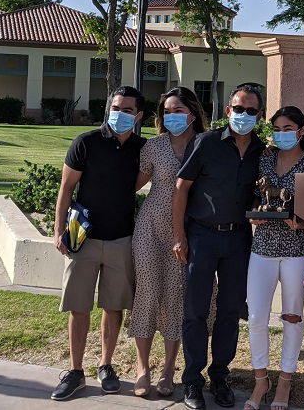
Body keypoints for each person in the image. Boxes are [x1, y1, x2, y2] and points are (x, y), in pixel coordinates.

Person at [172, 84, 266, 409]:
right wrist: (179, 235)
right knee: (196, 311)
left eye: (251, 111)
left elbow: (260, 193)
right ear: (228, 111)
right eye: (238, 109)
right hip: (202, 236)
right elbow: (181, 188)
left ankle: (220, 376)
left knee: (230, 311)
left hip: (239, 239)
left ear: (259, 116)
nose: (243, 115)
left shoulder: (262, 151)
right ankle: (192, 380)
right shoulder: (207, 142)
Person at [50, 85, 147, 401]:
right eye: (116, 108)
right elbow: (66, 189)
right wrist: (59, 231)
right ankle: (75, 371)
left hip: (121, 239)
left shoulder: (142, 148)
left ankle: (106, 365)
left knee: (113, 306)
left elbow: (136, 184)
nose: (120, 114)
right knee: (78, 306)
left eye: (128, 110)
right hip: (83, 238)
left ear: (138, 115)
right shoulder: (86, 143)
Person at [127, 87, 207, 398]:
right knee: (147, 294)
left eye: (178, 110)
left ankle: (169, 369)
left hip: (186, 232)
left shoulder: (205, 145)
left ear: (192, 113)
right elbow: (133, 185)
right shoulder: (154, 146)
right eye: (167, 112)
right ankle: (142, 367)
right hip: (150, 228)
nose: (171, 116)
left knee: (175, 298)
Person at [244, 106, 304, 410]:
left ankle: (286, 380)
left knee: (292, 316)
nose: (281, 134)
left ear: (301, 131)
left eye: (287, 129)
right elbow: (256, 195)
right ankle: (261, 380)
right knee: (255, 317)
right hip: (263, 248)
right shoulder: (265, 158)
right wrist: (255, 212)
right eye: (276, 129)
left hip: (297, 250)